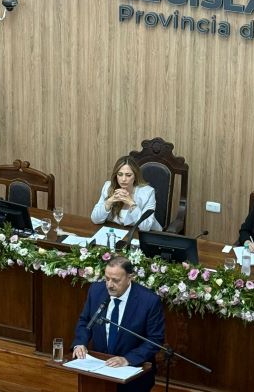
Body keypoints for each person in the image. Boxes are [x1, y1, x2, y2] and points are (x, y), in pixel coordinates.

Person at [72, 255, 165, 392]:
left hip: (132, 375)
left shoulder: (149, 301)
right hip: (99, 371)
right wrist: (80, 342)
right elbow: (85, 320)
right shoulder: (96, 291)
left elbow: (155, 339)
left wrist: (128, 359)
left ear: (130, 277)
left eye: (115, 280)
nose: (109, 285)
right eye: (107, 279)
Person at [91, 156, 162, 231]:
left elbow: (145, 227)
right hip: (117, 231)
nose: (123, 179)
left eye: (128, 175)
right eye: (120, 174)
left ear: (135, 176)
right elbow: (95, 219)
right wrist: (109, 202)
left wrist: (131, 203)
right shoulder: (108, 187)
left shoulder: (148, 192)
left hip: (146, 234)